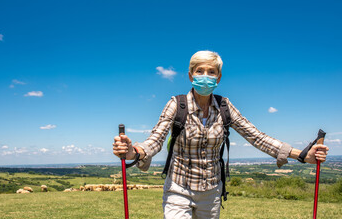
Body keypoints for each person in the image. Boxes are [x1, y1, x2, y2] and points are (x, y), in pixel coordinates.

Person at [113, 50, 329, 219]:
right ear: (190, 75)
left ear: (219, 77)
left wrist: (301, 154)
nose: (205, 77)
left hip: (211, 192)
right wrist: (134, 151)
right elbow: (156, 139)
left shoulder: (225, 106)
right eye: (199, 71)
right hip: (178, 188)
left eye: (211, 72)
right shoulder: (176, 104)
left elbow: (256, 136)